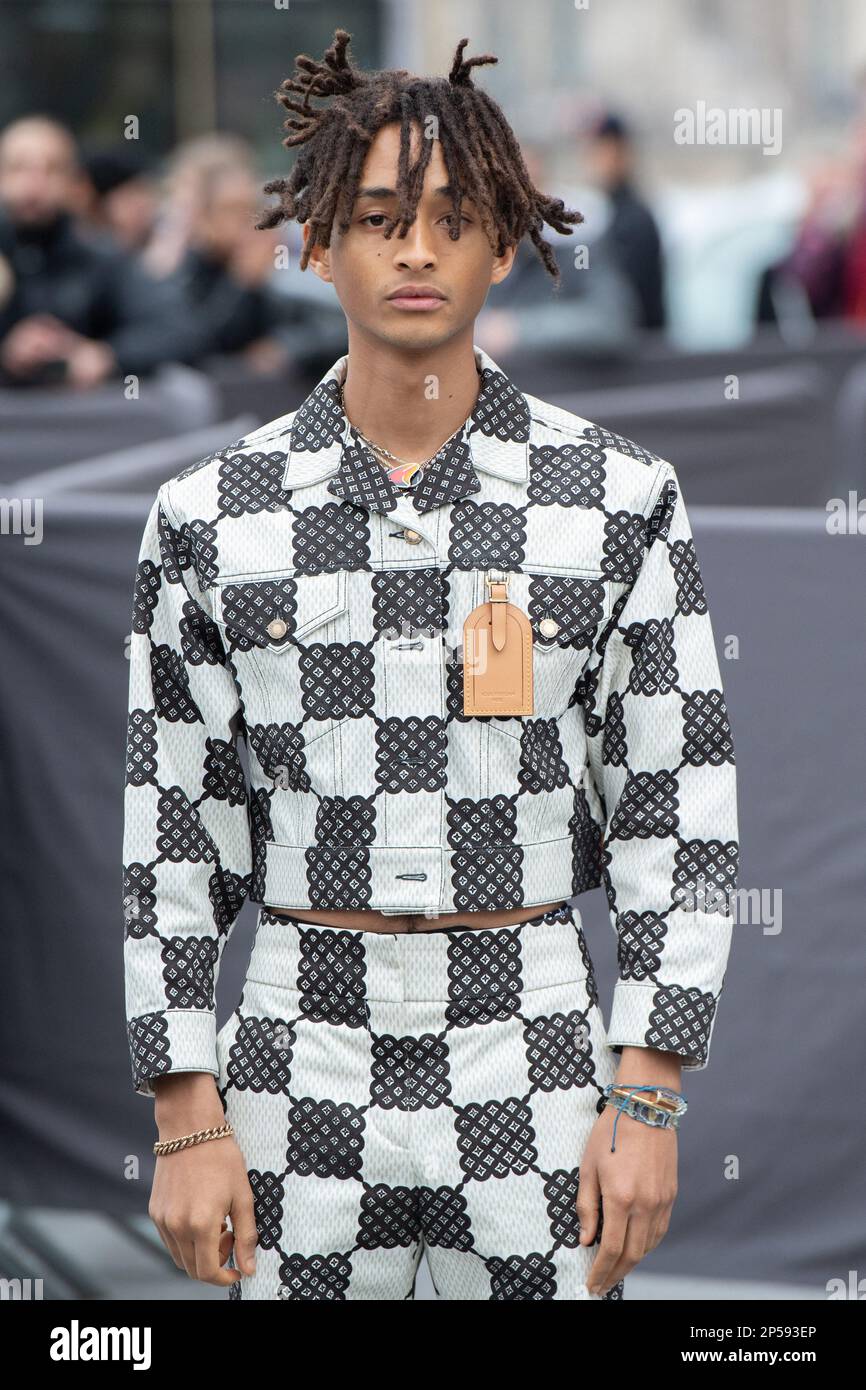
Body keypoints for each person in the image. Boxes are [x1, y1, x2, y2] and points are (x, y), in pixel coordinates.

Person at [123, 30, 739, 1301]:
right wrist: (186, 1113)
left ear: (504, 243)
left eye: (453, 218)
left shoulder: (618, 499)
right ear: (315, 244)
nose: (416, 248)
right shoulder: (211, 514)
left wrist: (653, 1092)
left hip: (534, 1025)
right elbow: (171, 832)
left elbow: (675, 810)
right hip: (299, 1034)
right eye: (378, 216)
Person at [0, 115, 193, 387]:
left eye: (51, 169)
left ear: (75, 183)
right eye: (18, 167)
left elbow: (176, 329)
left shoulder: (103, 259)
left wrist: (104, 355)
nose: (34, 183)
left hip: (84, 417)